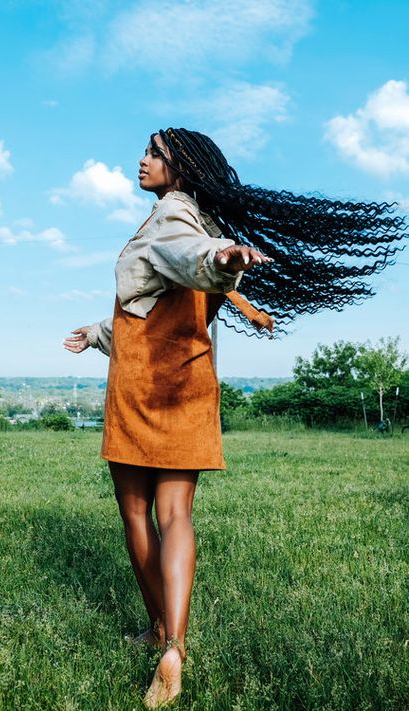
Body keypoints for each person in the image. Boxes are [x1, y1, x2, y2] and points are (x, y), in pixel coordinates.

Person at [63, 127, 405, 708]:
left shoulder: (172, 220)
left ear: (181, 169)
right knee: (177, 516)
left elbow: (187, 260)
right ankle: (173, 643)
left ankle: (161, 634)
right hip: (191, 388)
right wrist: (99, 332)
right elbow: (157, 297)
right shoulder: (198, 223)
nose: (142, 161)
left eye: (154, 155)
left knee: (136, 517)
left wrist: (218, 261)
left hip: (144, 388)